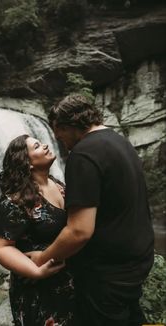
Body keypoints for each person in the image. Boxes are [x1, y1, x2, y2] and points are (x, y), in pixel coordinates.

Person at [27, 94, 155, 326]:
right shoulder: (120, 142)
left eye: (60, 134)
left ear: (69, 126)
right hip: (135, 264)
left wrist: (43, 258)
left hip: (106, 275)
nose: (59, 141)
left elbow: (79, 231)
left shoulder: (84, 154)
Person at [0, 134, 76, 326]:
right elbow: (0, 246)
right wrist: (36, 272)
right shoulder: (17, 200)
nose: (45, 145)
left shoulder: (59, 185)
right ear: (27, 163)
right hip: (38, 290)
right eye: (37, 146)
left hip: (68, 283)